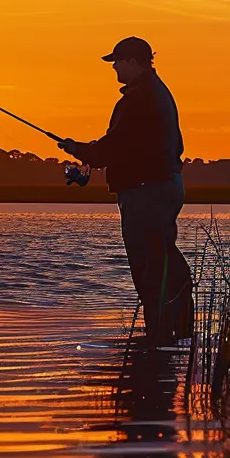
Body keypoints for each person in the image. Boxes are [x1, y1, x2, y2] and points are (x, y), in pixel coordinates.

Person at [60, 37, 193, 342]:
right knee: (164, 263)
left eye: (117, 62)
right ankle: (179, 337)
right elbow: (128, 147)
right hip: (163, 186)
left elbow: (115, 147)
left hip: (146, 192)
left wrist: (80, 150)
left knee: (149, 267)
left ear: (133, 61)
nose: (115, 68)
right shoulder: (155, 93)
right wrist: (87, 154)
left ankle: (159, 339)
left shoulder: (139, 98)